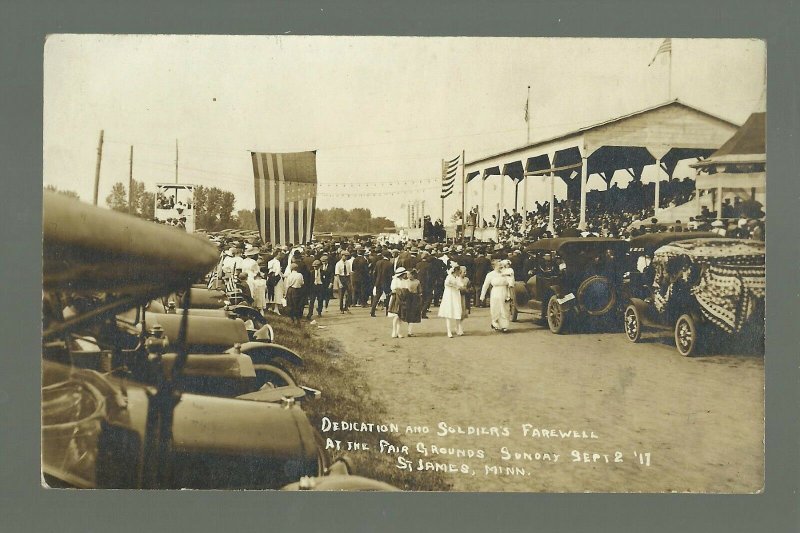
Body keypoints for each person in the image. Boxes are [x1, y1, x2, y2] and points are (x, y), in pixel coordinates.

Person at [480, 260, 514, 332]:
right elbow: (485, 285)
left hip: (505, 292)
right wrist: (482, 295)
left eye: (501, 265)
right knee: (496, 308)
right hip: (496, 292)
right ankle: (495, 323)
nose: (501, 267)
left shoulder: (506, 273)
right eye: (499, 265)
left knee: (505, 309)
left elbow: (511, 282)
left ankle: (504, 326)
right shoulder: (490, 274)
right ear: (494, 266)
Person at [438, 263, 466, 338]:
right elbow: (447, 284)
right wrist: (456, 286)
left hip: (456, 295)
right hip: (449, 296)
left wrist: (459, 286)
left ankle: (459, 329)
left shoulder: (458, 278)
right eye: (457, 271)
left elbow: (461, 285)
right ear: (454, 271)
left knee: (457, 311)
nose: (458, 273)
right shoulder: (449, 277)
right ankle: (449, 331)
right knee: (449, 312)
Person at [387, 267, 410, 338]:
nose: (405, 275)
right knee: (396, 316)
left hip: (403, 299)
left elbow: (407, 288)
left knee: (401, 316)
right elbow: (393, 289)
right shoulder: (395, 280)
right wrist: (400, 290)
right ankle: (394, 331)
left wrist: (403, 291)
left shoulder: (405, 281)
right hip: (396, 299)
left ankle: (399, 332)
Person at [402, 268, 423, 336]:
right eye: (407, 274)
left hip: (414, 298)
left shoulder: (417, 282)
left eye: (409, 274)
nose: (408, 276)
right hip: (407, 298)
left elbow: (420, 291)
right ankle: (409, 330)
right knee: (407, 314)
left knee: (412, 314)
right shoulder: (405, 281)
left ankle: (409, 331)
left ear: (413, 275)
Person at [266, 250, 285, 314]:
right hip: (276, 278)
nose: (280, 256)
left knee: (271, 291)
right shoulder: (277, 262)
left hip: (270, 277)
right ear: (276, 255)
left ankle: (271, 306)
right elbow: (277, 271)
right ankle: (276, 308)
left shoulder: (270, 262)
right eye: (279, 255)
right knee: (277, 292)